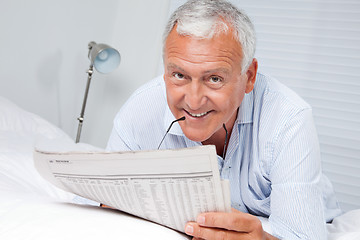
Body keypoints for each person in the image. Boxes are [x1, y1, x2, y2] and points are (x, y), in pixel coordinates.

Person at [106, 0, 341, 239]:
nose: (194, 101)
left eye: (214, 79)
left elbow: (301, 234)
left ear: (249, 76)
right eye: (179, 75)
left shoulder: (289, 119)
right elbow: (101, 199)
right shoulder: (141, 108)